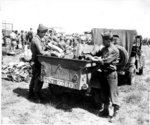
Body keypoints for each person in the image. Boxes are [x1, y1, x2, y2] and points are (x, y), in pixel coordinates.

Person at [86, 31, 120, 117]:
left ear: (109, 40)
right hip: (103, 74)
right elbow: (97, 54)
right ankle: (105, 111)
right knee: (104, 93)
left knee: (113, 94)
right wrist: (90, 55)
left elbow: (106, 61)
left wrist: (95, 59)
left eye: (104, 40)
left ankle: (115, 114)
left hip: (111, 74)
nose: (102, 42)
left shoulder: (114, 50)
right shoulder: (104, 48)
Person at [28, 24, 49, 102]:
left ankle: (31, 94)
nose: (44, 34)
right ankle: (36, 96)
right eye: (44, 33)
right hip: (37, 62)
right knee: (38, 79)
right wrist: (48, 53)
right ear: (40, 32)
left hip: (36, 61)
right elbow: (40, 51)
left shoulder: (37, 39)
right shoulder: (36, 39)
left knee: (34, 78)